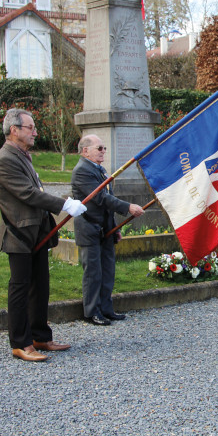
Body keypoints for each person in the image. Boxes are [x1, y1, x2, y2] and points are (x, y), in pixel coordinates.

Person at [0, 108, 87, 362]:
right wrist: (65, 204)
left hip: (36, 232)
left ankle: (40, 336)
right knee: (20, 289)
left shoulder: (23, 156)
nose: (35, 132)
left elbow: (36, 190)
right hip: (18, 233)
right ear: (14, 130)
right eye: (30, 127)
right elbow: (28, 194)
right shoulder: (5, 159)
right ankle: (20, 343)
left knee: (40, 287)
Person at [71, 135, 145, 326]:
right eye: (100, 148)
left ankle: (106, 308)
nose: (104, 151)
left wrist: (114, 228)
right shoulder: (82, 171)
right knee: (93, 272)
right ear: (85, 151)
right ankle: (92, 311)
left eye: (104, 148)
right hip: (89, 227)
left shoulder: (99, 170)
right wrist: (127, 207)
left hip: (104, 228)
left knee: (108, 270)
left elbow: (107, 200)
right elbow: (100, 198)